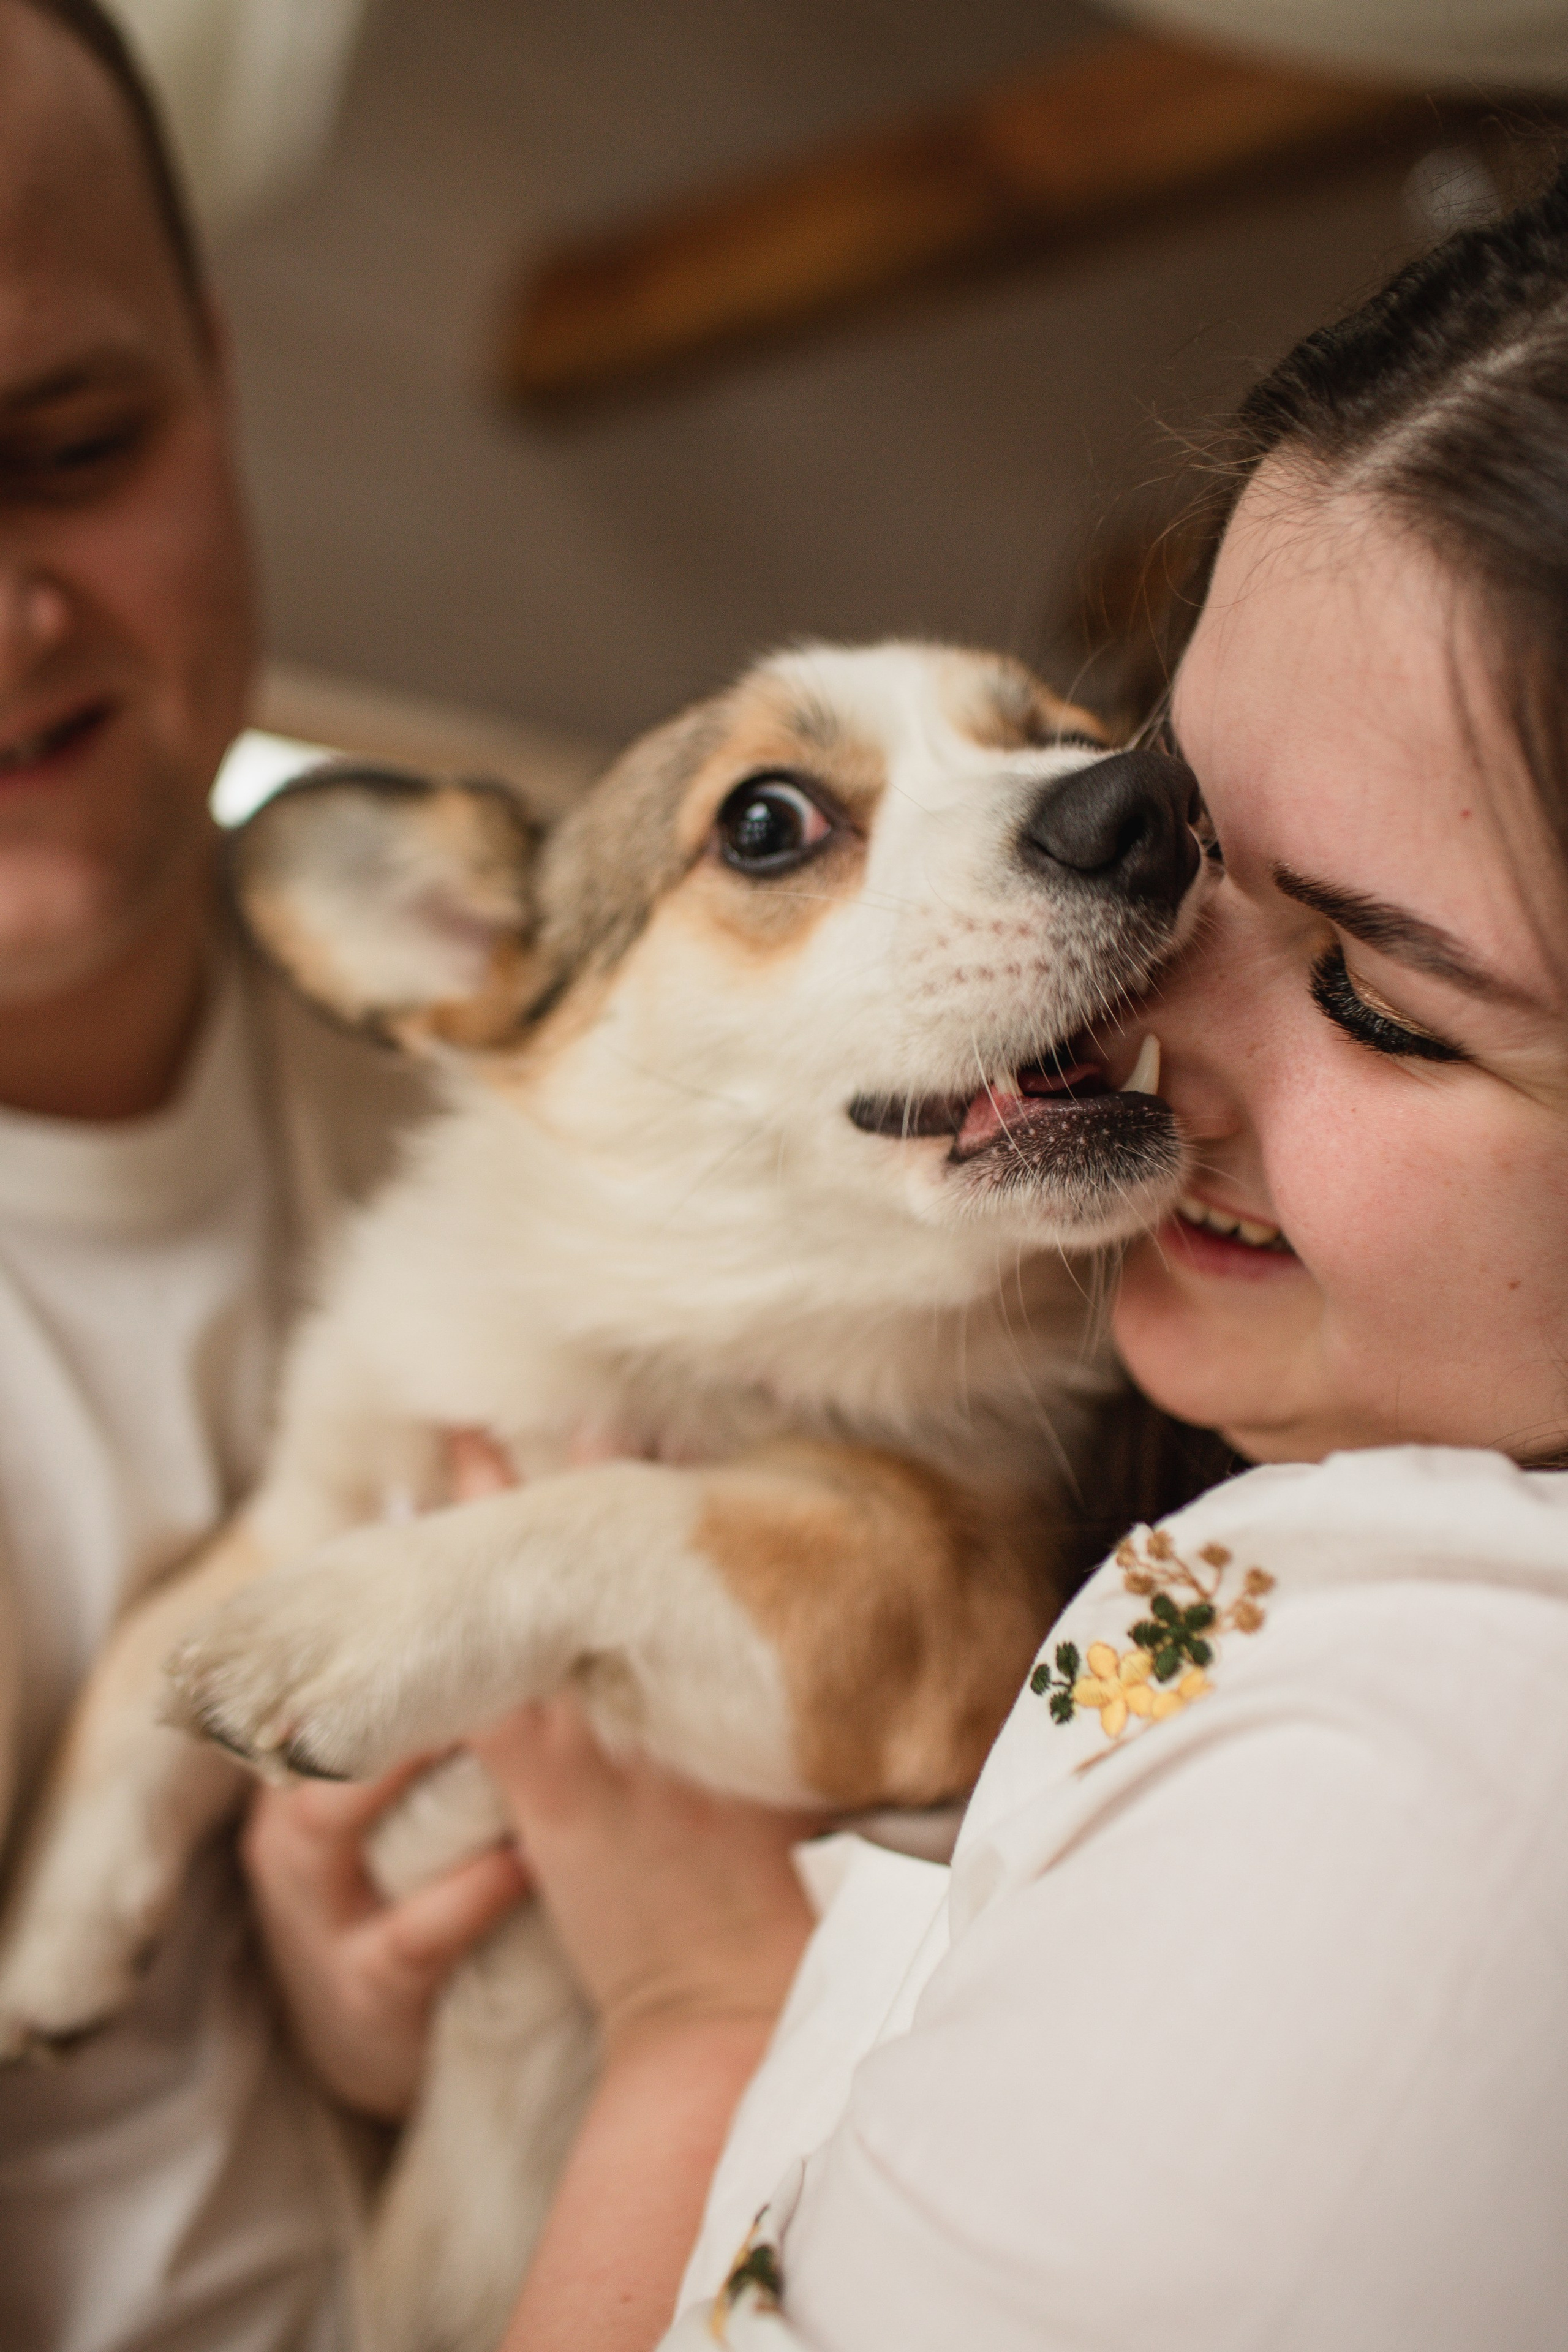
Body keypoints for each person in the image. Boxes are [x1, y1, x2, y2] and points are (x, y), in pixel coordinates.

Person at [461, 162, 1568, 2351]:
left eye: (1383, 1000)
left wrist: (688, 2010)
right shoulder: (1228, 1492)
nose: (1124, 1024)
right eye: (1157, 846)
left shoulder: (1440, 1818)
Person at [0, 6, 529, 2345]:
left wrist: (400, 2055)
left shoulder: (511, 1038)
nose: (11, 615)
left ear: (218, 372)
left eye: (74, 445)